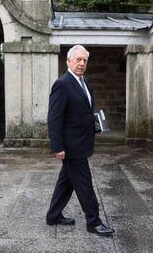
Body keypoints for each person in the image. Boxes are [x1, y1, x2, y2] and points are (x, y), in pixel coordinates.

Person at [45, 45, 115, 236]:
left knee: (66, 182)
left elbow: (84, 110)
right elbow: (54, 118)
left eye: (84, 60)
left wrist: (95, 124)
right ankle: (93, 222)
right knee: (84, 184)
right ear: (69, 61)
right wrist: (57, 146)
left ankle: (53, 215)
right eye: (78, 59)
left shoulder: (84, 81)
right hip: (71, 146)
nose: (82, 63)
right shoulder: (62, 83)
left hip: (82, 140)